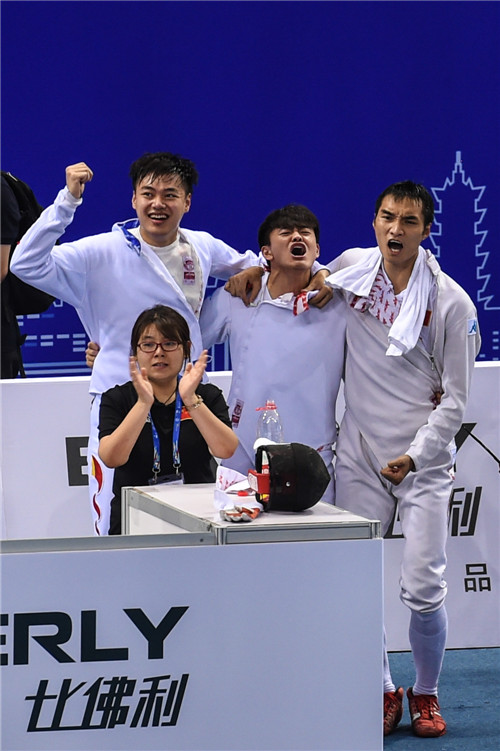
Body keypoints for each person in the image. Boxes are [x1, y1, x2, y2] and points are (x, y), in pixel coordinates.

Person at [9, 153, 258, 534]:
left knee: (197, 508)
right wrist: (67, 202)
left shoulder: (201, 246)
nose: (158, 204)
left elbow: (257, 266)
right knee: (114, 513)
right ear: (133, 199)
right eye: (148, 193)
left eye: (170, 194)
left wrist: (257, 270)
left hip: (185, 396)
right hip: (120, 397)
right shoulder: (101, 250)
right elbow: (24, 263)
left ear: (187, 202)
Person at [326, 181, 481, 738]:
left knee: (423, 587)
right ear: (374, 221)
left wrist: (415, 457)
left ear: (426, 230)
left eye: (409, 221)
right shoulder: (349, 270)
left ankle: (427, 692)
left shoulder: (452, 303)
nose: (396, 229)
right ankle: (382, 689)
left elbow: (456, 402)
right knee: (356, 583)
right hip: (360, 453)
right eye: (388, 217)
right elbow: (295, 284)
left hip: (423, 463)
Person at [200, 204, 346, 506]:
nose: (298, 237)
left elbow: (373, 262)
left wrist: (325, 272)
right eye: (286, 232)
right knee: (235, 532)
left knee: (317, 537)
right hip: (241, 450)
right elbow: (189, 342)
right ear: (266, 252)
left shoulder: (337, 302)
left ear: (317, 250)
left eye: (305, 233)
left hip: (312, 455)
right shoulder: (239, 296)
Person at [98, 305, 237, 534]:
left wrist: (190, 399)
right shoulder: (117, 398)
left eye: (169, 343)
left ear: (186, 349)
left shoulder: (206, 396)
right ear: (135, 352)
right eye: (148, 345)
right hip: (134, 519)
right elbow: (111, 457)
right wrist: (143, 404)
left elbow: (226, 449)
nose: (159, 352)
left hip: (199, 520)